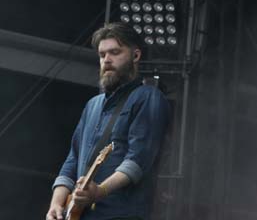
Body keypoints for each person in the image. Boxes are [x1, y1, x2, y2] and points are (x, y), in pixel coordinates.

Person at [46, 22, 170, 220]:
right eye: (102, 55)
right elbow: (72, 160)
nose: (107, 60)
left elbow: (137, 161)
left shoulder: (148, 97)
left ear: (135, 56)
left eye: (115, 52)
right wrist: (56, 204)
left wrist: (100, 192)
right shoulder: (92, 105)